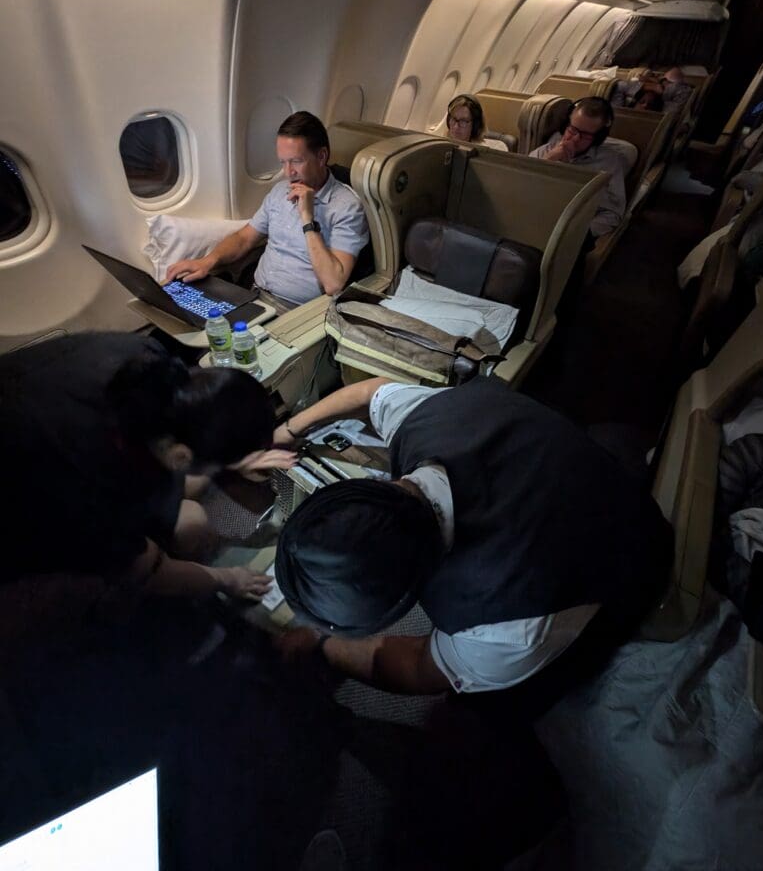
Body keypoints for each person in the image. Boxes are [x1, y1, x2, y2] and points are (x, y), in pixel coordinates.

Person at [272, 376, 673, 701]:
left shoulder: (502, 625)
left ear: (409, 597)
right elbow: (368, 391)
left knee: (496, 711)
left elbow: (418, 667)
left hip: (635, 559)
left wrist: (322, 644)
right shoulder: (430, 417)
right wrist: (289, 429)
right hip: (583, 471)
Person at [0, 332, 295, 599]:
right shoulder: (86, 485)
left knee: (190, 519)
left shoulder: (147, 362)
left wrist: (231, 459)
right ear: (180, 457)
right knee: (191, 527)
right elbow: (147, 571)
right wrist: (228, 579)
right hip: (28, 515)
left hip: (28, 396)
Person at [166, 111, 370, 308]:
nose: (288, 172)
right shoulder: (280, 191)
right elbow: (244, 238)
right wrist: (207, 261)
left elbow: (333, 284)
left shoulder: (347, 207)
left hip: (295, 311)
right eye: (283, 162)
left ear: (321, 156)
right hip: (253, 295)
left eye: (296, 161)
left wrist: (308, 219)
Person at [529, 97, 627, 238]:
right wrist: (549, 160)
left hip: (574, 233)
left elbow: (612, 214)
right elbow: (521, 191)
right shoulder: (542, 153)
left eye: (585, 136)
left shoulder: (609, 163)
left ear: (598, 138)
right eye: (573, 130)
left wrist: (576, 235)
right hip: (536, 223)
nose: (575, 139)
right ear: (565, 126)